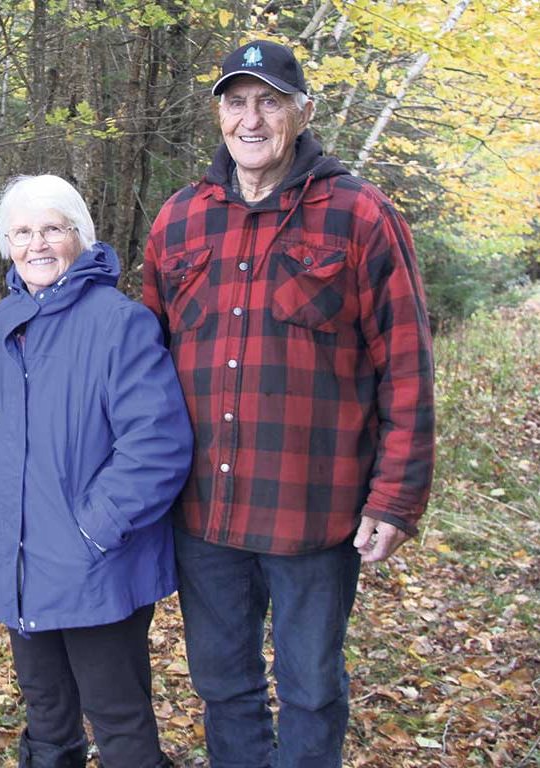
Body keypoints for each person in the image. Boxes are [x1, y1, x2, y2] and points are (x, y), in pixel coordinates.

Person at [142, 40, 435, 767]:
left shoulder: (359, 214)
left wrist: (395, 499)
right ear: (218, 114)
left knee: (309, 689)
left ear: (301, 113)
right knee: (222, 684)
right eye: (236, 102)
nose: (251, 118)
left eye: (269, 101)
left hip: (316, 510)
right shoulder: (179, 219)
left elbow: (406, 368)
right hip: (205, 509)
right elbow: (142, 371)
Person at [0, 175, 192, 768]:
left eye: (53, 229)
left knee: (118, 717)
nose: (38, 244)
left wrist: (93, 531)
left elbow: (157, 443)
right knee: (46, 714)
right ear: (5, 244)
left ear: (80, 237)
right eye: (22, 232)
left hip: (96, 564)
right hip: (19, 561)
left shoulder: (119, 323)